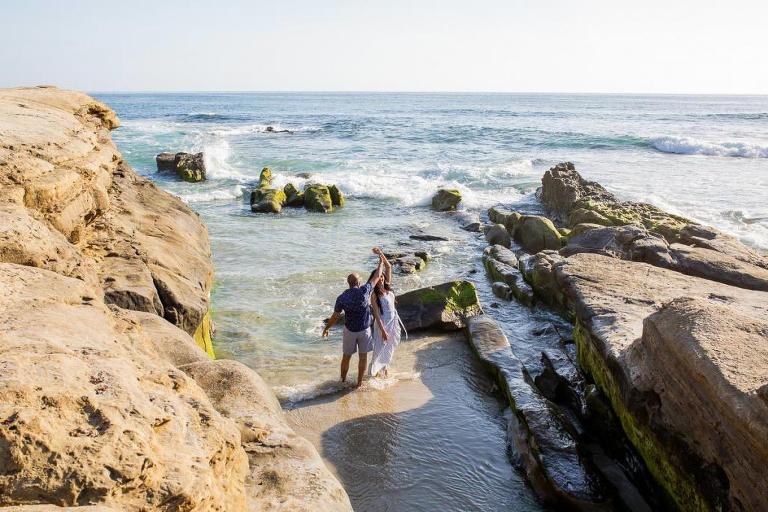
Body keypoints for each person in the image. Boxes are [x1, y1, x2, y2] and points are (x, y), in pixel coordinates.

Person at [323, 250, 386, 388]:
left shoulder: (342, 297)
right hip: (364, 331)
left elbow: (335, 316)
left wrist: (327, 328)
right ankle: (358, 384)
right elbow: (377, 276)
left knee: (346, 356)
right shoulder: (365, 291)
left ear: (348, 283)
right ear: (358, 282)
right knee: (363, 357)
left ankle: (343, 381)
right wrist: (381, 261)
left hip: (350, 331)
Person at [369, 247, 405, 378]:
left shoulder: (388, 287)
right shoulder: (374, 295)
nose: (382, 280)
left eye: (383, 278)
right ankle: (373, 373)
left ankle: (385, 369)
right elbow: (376, 315)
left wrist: (381, 255)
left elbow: (388, 267)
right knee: (379, 348)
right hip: (382, 323)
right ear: (375, 279)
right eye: (379, 278)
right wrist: (383, 330)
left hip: (394, 321)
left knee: (390, 346)